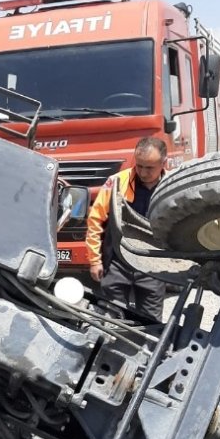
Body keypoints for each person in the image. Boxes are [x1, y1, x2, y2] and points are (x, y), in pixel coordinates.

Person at [86, 137, 168, 322]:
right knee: (110, 318)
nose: (143, 172)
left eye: (149, 168)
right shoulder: (117, 182)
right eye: (139, 166)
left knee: (150, 323)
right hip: (118, 264)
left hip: (153, 267)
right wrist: (95, 261)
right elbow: (95, 220)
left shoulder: (171, 186)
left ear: (164, 163)